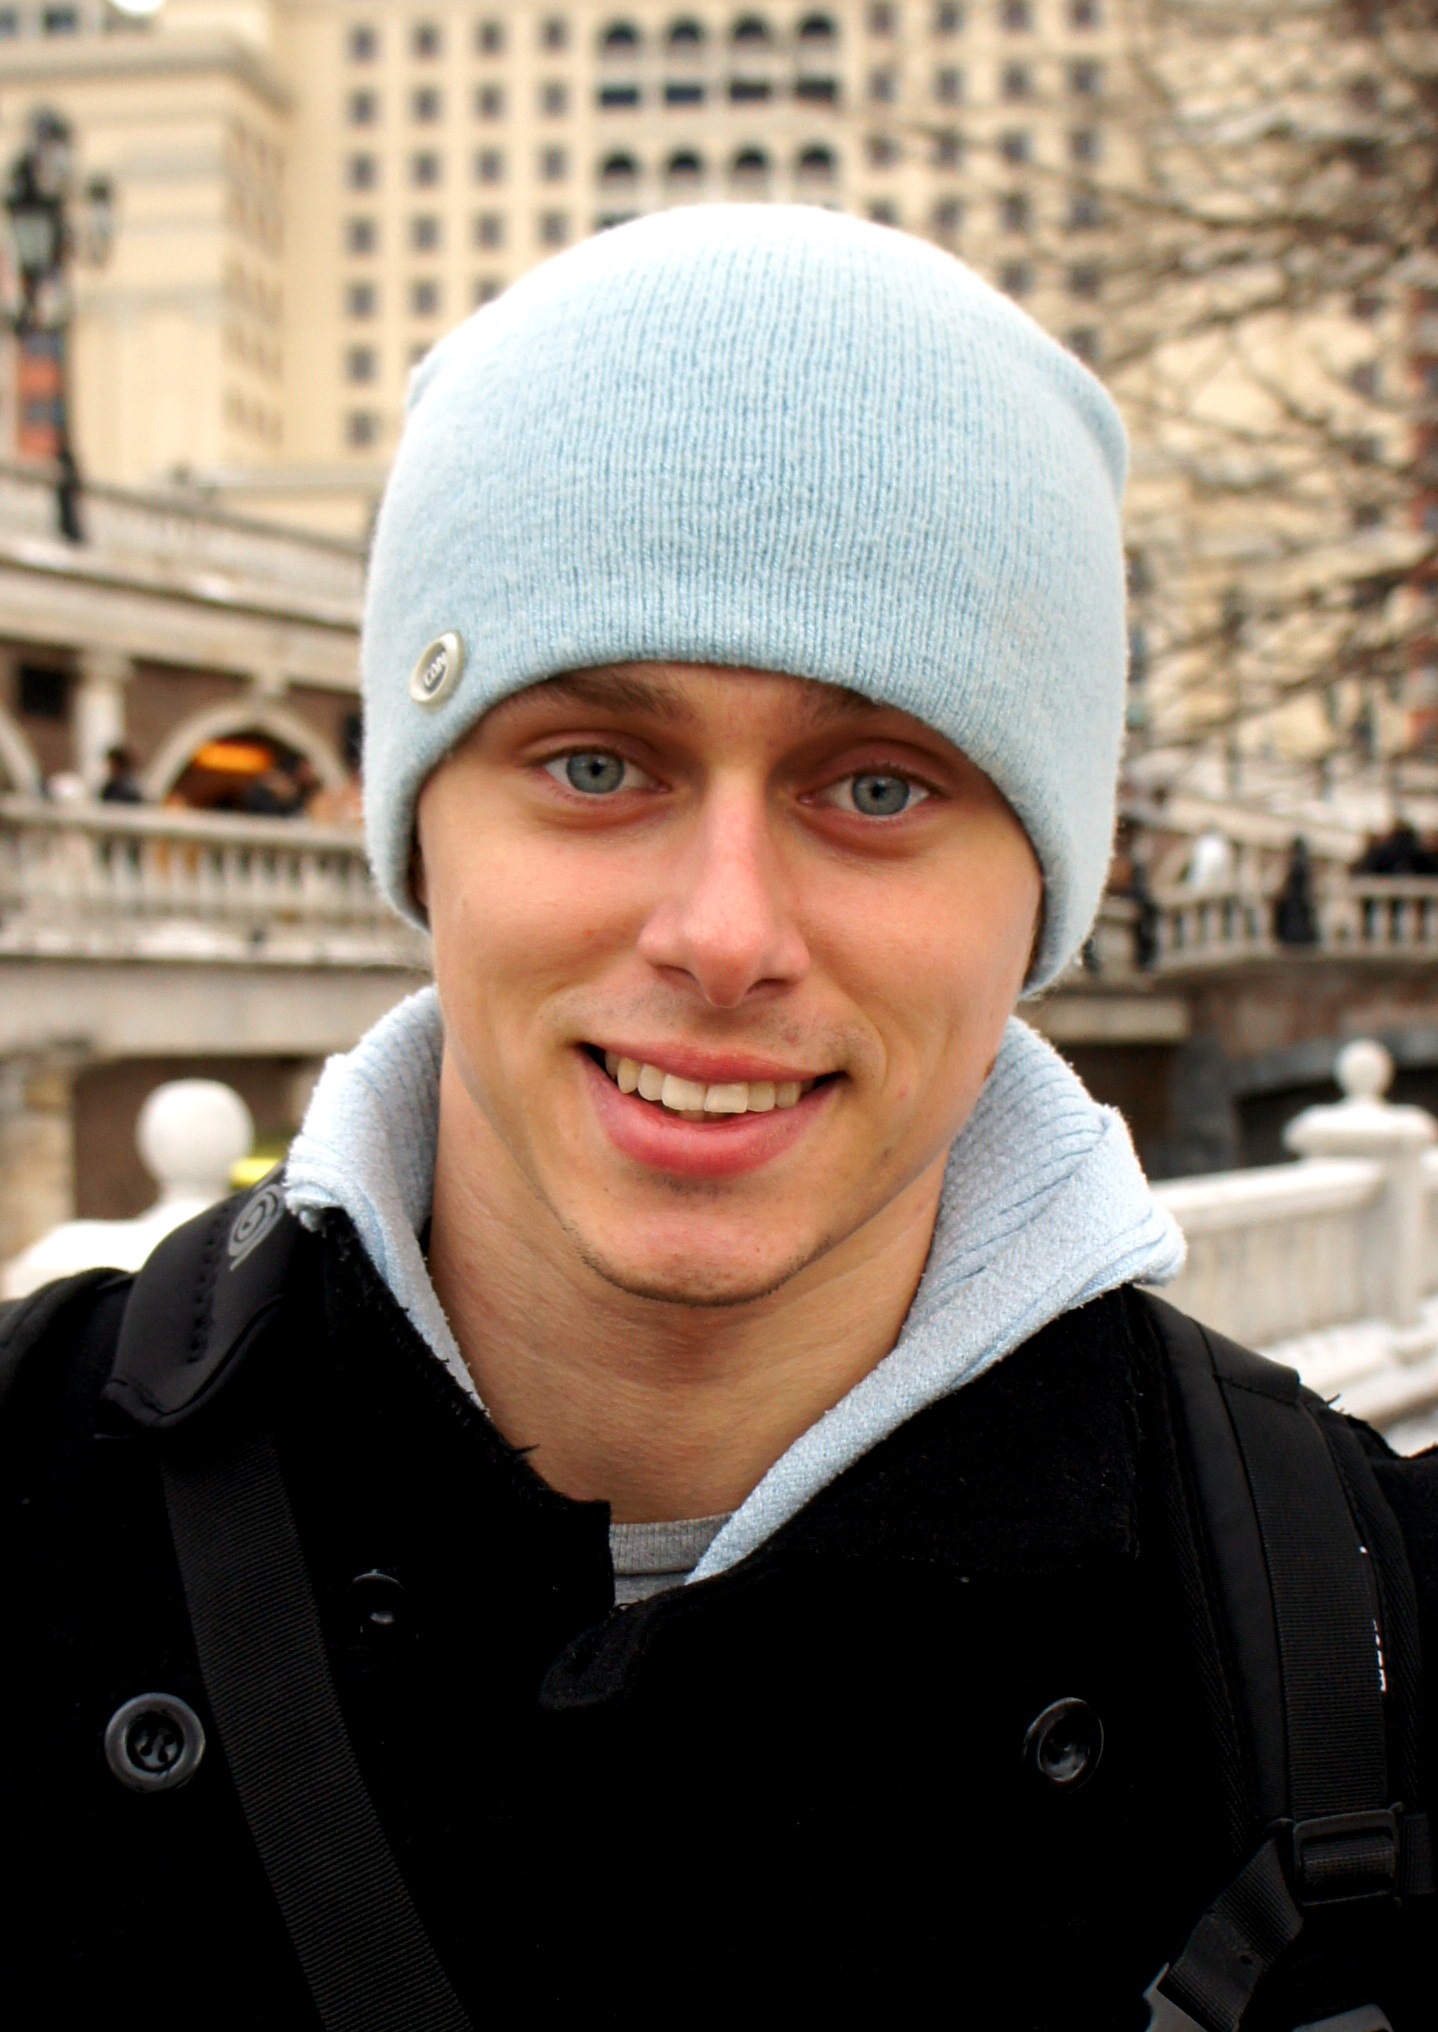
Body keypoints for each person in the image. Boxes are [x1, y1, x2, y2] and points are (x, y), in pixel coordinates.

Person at [2, 209, 1433, 2030]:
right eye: (597, 765)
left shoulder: (1363, 1637)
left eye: (877, 785)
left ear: (1044, 894)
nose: (725, 934)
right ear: (421, 829)